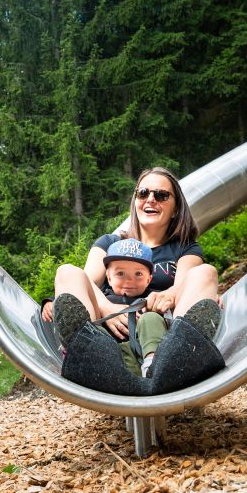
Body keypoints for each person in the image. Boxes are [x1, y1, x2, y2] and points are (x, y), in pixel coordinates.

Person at [42, 167, 225, 396]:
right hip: (110, 334)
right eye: (143, 193)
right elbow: (87, 281)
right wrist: (109, 307)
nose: (151, 199)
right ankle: (87, 350)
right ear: (135, 200)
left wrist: (169, 295)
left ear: (176, 207)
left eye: (161, 195)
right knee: (67, 271)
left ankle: (180, 352)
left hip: (162, 331)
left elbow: (185, 281)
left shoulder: (185, 247)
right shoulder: (109, 243)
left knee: (205, 272)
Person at [98, 238, 167, 378]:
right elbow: (76, 296)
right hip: (115, 358)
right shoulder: (103, 299)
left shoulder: (152, 298)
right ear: (109, 278)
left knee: (152, 318)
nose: (129, 280)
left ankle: (153, 368)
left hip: (145, 351)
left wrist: (200, 294)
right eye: (120, 273)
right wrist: (51, 302)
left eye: (138, 274)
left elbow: (177, 300)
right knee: (96, 329)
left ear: (149, 279)